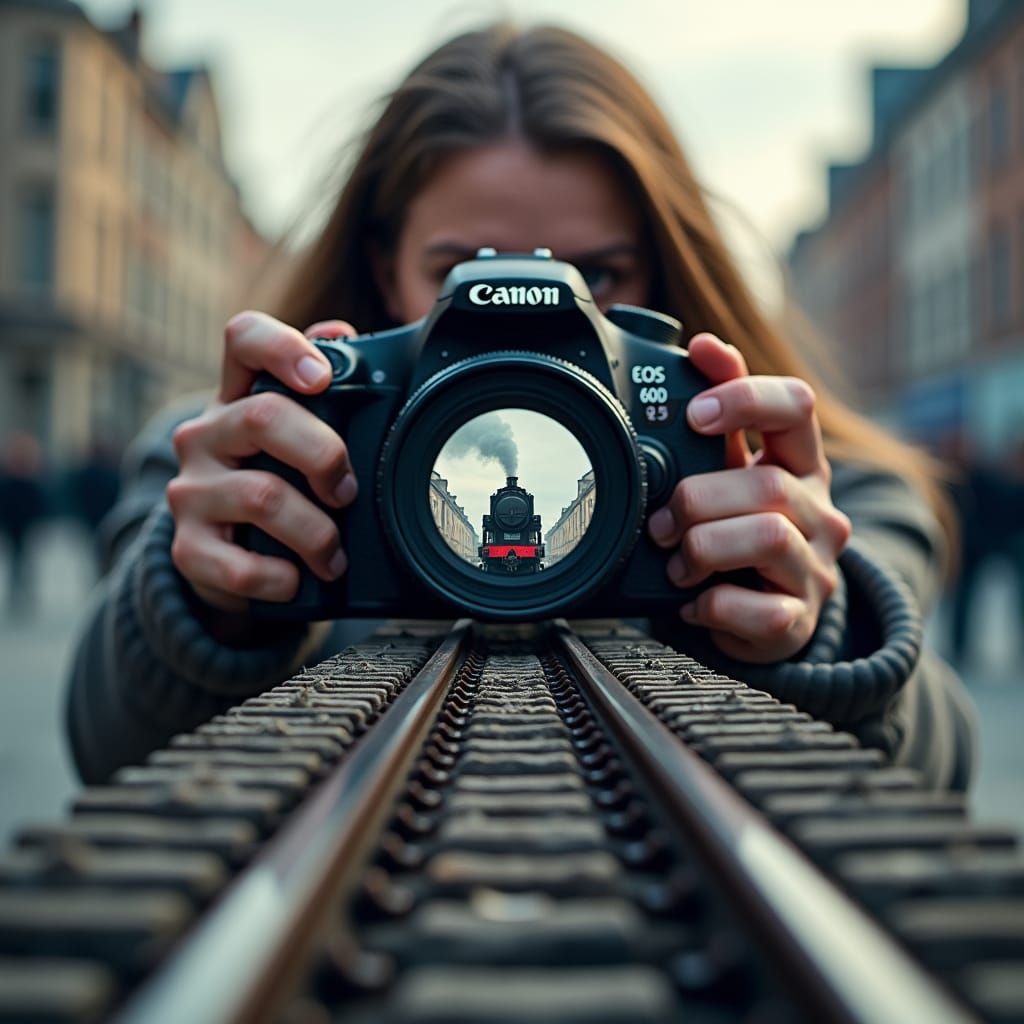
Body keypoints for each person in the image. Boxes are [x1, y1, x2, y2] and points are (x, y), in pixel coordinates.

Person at [65, 22, 975, 789]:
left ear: (666, 273)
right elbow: (104, 747)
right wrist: (203, 605)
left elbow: (941, 765)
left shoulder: (808, 489)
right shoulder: (236, 454)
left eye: (599, 275)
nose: (526, 322)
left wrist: (822, 625)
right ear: (384, 269)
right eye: (460, 266)